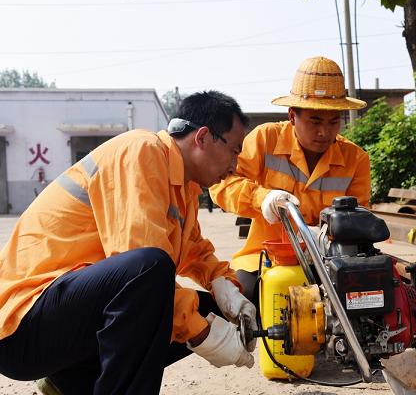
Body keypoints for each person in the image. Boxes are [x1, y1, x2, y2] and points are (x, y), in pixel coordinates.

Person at [0, 91, 258, 395]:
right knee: (150, 271)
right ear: (202, 138)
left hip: (64, 318)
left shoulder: (183, 186)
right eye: (235, 151)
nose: (235, 165)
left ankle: (74, 381)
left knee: (203, 305)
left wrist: (222, 284)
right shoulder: (142, 152)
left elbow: (194, 249)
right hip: (23, 325)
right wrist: (204, 332)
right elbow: (139, 266)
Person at [210, 56, 371, 300]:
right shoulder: (266, 139)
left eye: (334, 121)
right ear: (292, 116)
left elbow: (359, 219)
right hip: (265, 259)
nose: (324, 132)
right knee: (244, 300)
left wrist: (328, 236)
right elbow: (221, 184)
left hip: (329, 261)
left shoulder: (355, 159)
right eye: (315, 120)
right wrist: (262, 198)